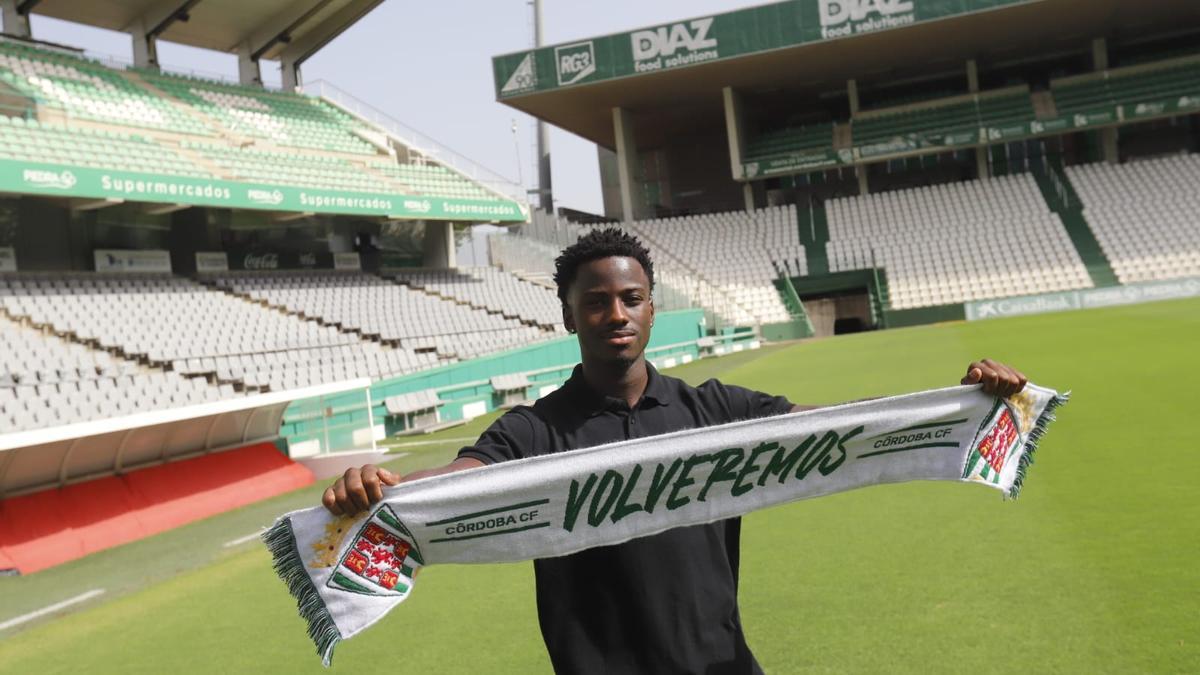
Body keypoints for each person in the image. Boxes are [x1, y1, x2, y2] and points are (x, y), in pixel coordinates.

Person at [322, 227, 1028, 674]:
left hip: (723, 662)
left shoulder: (714, 409)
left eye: (631, 297)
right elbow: (455, 482)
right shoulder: (534, 431)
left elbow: (841, 429)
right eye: (597, 301)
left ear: (653, 306)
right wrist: (380, 489)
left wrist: (961, 403)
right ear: (569, 314)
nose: (616, 314)